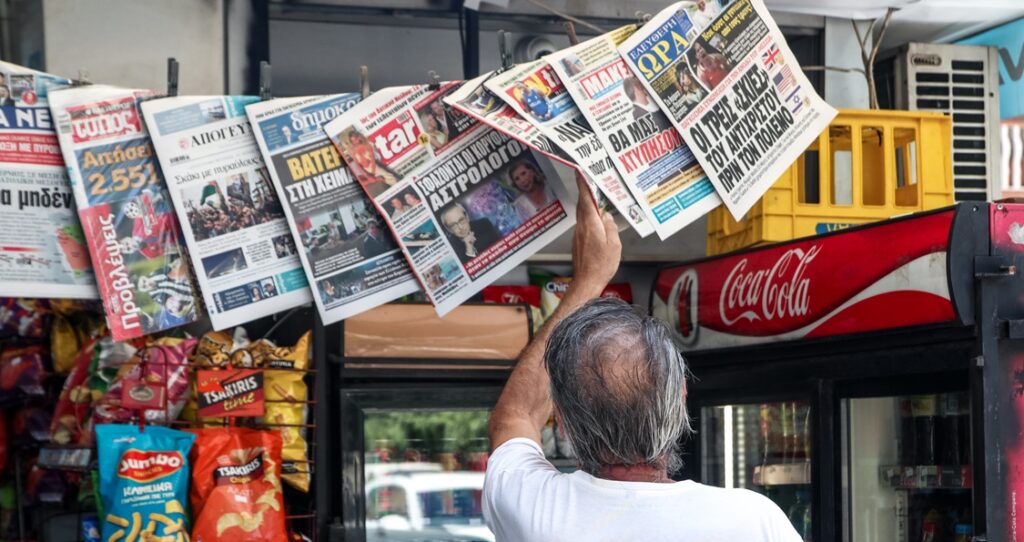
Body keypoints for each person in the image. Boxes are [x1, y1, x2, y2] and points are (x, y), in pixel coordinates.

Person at [483, 174, 803, 541]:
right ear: (681, 398)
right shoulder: (754, 522)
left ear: (565, 424)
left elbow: (515, 416)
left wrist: (590, 278)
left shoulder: (536, 512)